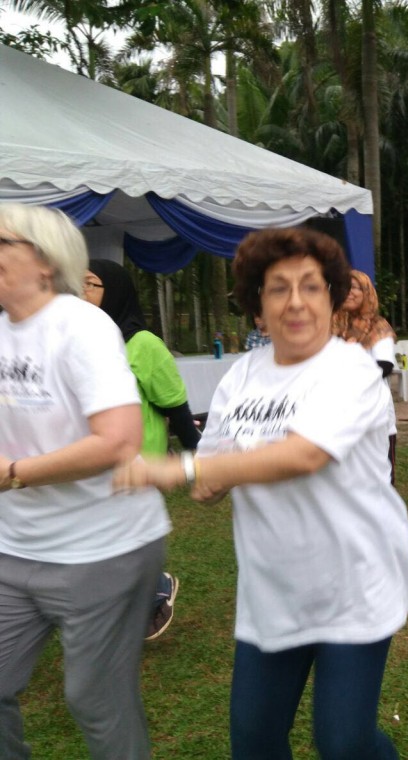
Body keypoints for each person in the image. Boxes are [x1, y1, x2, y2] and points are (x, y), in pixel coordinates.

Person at [115, 226, 408, 758]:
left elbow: (305, 455)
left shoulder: (351, 369)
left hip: (354, 583)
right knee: (254, 739)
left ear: (331, 297)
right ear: (257, 304)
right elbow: (213, 473)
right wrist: (206, 481)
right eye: (279, 288)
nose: (296, 301)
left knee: (344, 743)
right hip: (274, 587)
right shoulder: (241, 377)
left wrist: (180, 468)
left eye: (311, 286)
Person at [0, 203, 169, 759]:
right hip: (15, 547)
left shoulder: (83, 327)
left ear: (45, 261)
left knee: (96, 699)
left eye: (2, 243)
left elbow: (118, 441)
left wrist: (15, 474)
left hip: (104, 548)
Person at [85, 258, 198, 640]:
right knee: (98, 540)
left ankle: (156, 588)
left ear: (115, 291)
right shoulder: (80, 343)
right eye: (77, 285)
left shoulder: (143, 344)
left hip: (137, 463)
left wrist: (197, 453)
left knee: (122, 540)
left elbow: (174, 403)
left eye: (90, 284)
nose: (81, 293)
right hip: (89, 459)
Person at [335, 269, 399, 483]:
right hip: (341, 416)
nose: (349, 292)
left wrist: (348, 368)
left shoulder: (378, 326)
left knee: (380, 483)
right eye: (345, 287)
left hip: (374, 416)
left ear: (367, 292)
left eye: (355, 288)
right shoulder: (333, 326)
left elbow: (385, 366)